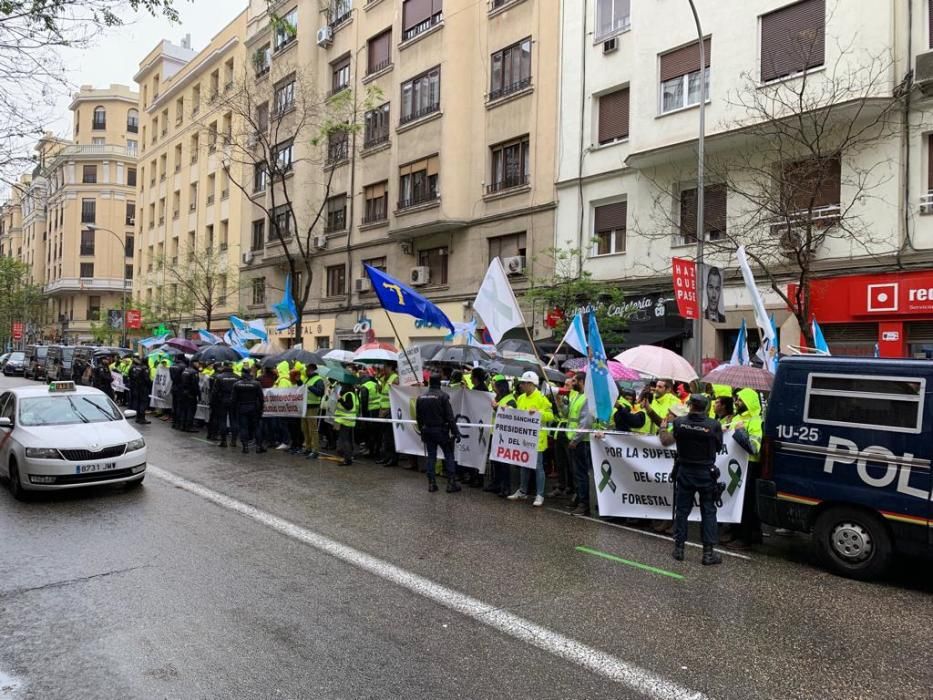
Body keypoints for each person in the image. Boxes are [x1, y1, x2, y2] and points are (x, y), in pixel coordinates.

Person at [660, 394, 724, 565]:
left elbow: (668, 440)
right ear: (706, 407)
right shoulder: (713, 425)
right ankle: (708, 554)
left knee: (682, 511)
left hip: (685, 471)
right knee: (708, 511)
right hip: (705, 473)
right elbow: (718, 447)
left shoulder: (679, 422)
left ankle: (679, 549)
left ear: (690, 405)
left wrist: (662, 429)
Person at [724, 388, 763, 549]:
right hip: (736, 465)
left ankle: (745, 539)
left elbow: (754, 448)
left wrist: (739, 431)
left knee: (746, 504)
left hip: (750, 466)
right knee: (736, 501)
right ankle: (741, 533)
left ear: (748, 402)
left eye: (739, 400)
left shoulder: (755, 422)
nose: (736, 402)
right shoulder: (737, 417)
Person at [507, 371, 554, 507]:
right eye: (522, 383)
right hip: (523, 438)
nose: (521, 385)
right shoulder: (521, 398)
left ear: (531, 384)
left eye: (524, 383)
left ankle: (540, 494)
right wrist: (508, 409)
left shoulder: (541, 398)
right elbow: (517, 413)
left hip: (537, 438)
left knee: (538, 467)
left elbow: (551, 416)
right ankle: (522, 490)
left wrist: (538, 413)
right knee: (524, 465)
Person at [415, 374, 465, 493]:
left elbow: (418, 417)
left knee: (431, 456)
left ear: (430, 383)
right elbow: (450, 417)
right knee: (448, 455)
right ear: (439, 383)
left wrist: (422, 430)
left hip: (427, 430)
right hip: (441, 431)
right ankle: (451, 483)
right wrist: (456, 432)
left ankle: (431, 483)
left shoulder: (420, 397)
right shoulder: (443, 396)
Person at [566, 372, 592, 516]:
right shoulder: (577, 396)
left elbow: (586, 422)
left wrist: (575, 440)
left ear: (581, 381)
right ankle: (578, 498)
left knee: (581, 474)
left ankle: (584, 504)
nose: (572, 382)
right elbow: (569, 416)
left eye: (574, 380)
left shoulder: (587, 398)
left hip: (581, 442)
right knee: (576, 473)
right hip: (574, 441)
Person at [489, 375, 516, 497]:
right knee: (495, 462)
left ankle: (506, 487)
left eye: (495, 386)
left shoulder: (510, 399)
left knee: (504, 463)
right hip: (495, 433)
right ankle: (497, 484)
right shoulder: (499, 398)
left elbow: (511, 414)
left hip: (504, 436)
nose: (494, 389)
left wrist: (497, 407)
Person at [232, 366, 265, 453]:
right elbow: (261, 398)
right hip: (254, 407)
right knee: (257, 427)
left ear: (242, 373)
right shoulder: (256, 384)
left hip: (242, 407)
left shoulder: (237, 384)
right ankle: (258, 447)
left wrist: (235, 409)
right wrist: (261, 408)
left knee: (243, 427)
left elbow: (233, 399)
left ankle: (245, 447)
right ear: (250, 373)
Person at [376, 363, 399, 466]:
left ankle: (392, 459)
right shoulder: (385, 378)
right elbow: (383, 394)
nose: (383, 369)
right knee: (384, 437)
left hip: (390, 411)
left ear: (391, 367)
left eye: (385, 367)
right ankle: (386, 457)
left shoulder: (395, 378)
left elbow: (397, 395)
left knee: (390, 437)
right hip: (383, 410)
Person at [212, 363, 239, 447]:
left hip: (222, 401)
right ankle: (233, 441)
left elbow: (215, 392)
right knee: (234, 420)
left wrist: (214, 402)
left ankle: (223, 441)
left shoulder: (219, 377)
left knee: (222, 421)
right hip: (234, 401)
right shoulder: (237, 377)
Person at [302, 364, 326, 459]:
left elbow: (320, 392)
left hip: (313, 407)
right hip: (305, 407)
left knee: (312, 429)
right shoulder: (307, 379)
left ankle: (315, 450)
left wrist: (309, 387)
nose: (306, 371)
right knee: (305, 428)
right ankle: (308, 447)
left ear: (312, 370)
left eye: (307, 369)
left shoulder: (318, 379)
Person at [333, 381, 359, 466]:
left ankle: (347, 460)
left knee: (345, 440)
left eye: (342, 385)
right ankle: (347, 457)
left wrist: (340, 400)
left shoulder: (349, 394)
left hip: (346, 421)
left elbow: (349, 407)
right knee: (346, 440)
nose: (341, 387)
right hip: (346, 421)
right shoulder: (351, 394)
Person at [128, 357, 152, 425]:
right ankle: (142, 419)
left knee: (138, 403)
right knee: (143, 403)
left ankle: (138, 418)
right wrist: (150, 385)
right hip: (143, 388)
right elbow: (147, 379)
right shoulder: (145, 368)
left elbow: (133, 376)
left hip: (137, 387)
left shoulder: (138, 367)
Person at [178, 362, 201, 432]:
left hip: (183, 393)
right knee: (190, 411)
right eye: (197, 363)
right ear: (194, 364)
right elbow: (195, 385)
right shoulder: (194, 372)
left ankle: (182, 425)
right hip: (191, 394)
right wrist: (198, 395)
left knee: (184, 410)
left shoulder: (185, 370)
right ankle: (189, 426)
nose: (198, 365)